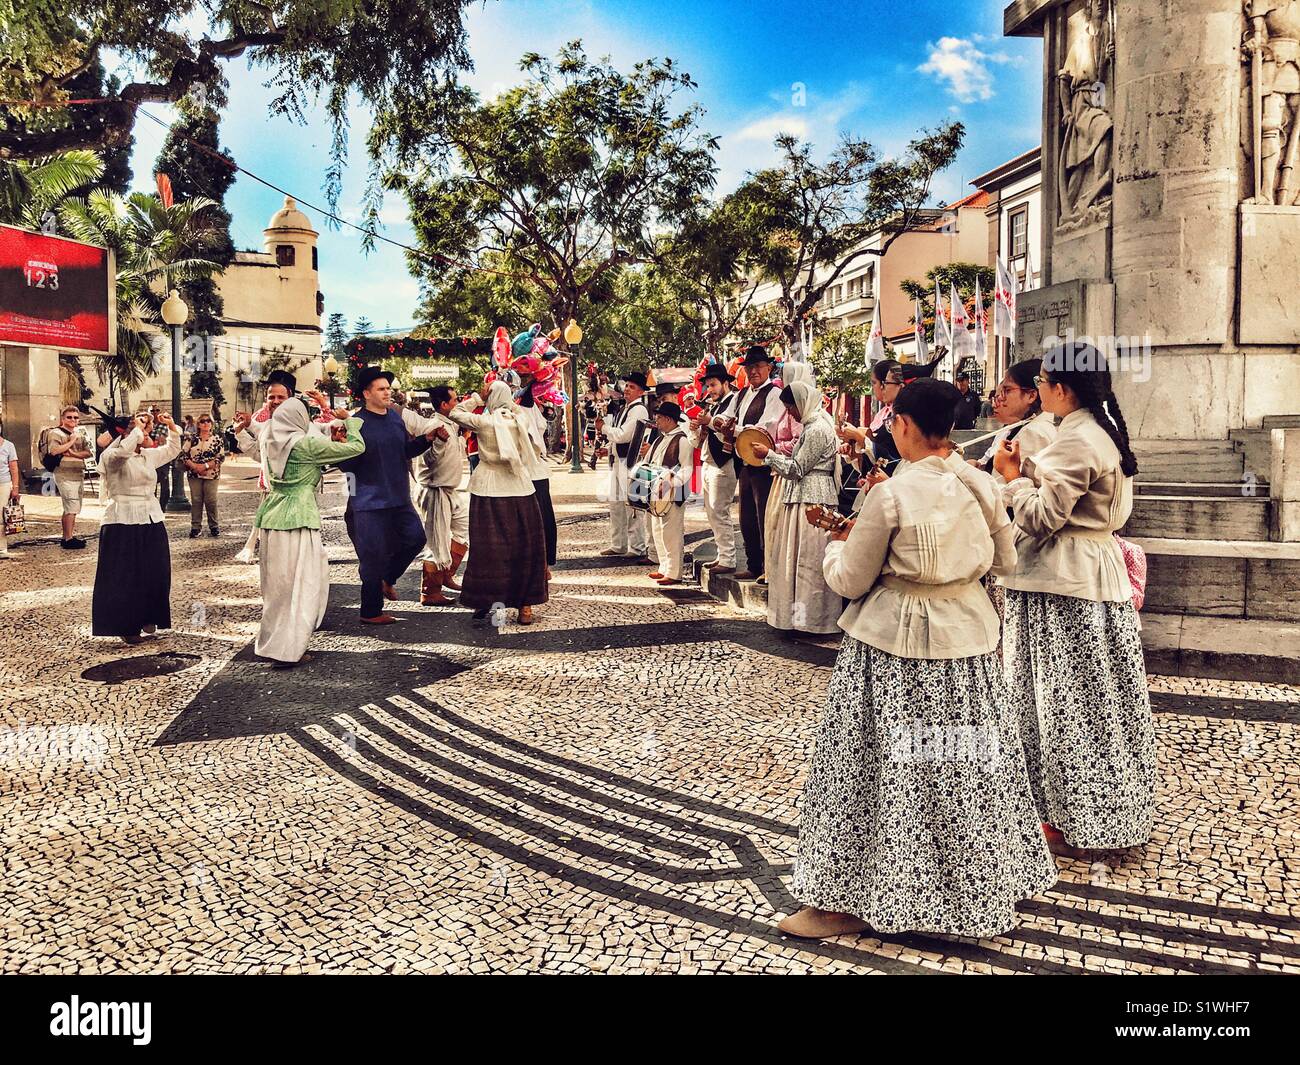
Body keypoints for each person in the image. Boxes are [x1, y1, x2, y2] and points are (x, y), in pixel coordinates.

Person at [780, 377, 1054, 940]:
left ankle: (846, 900)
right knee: (962, 767)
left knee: (872, 771)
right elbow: (1004, 561)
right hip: (966, 647)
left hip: (892, 652)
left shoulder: (890, 494)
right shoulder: (981, 485)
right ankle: (972, 894)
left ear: (902, 424)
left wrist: (837, 548)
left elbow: (852, 579)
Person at [993, 342, 1154, 859]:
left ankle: (1064, 818)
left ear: (1062, 388)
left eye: (1039, 383)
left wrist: (1012, 481)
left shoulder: (1077, 438)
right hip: (1090, 576)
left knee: (1057, 705)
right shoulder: (1097, 429)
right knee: (1095, 702)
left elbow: (1042, 518)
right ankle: (1100, 812)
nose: (1037, 391)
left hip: (1061, 583)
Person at [253, 397, 365, 667]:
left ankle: (273, 645)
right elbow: (356, 448)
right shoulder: (305, 445)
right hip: (299, 520)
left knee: (276, 589)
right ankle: (290, 649)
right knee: (302, 585)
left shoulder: (269, 439)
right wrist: (348, 420)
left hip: (270, 518)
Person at [335, 366, 445, 625]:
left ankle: (387, 578)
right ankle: (370, 611)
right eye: (381, 389)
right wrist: (340, 447)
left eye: (388, 388)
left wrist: (427, 439)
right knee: (371, 556)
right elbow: (347, 464)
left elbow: (404, 451)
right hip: (368, 501)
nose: (387, 393)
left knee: (416, 539)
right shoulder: (356, 422)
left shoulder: (395, 418)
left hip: (399, 497)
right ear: (366, 393)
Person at [445, 380, 548, 625]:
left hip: (487, 489)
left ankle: (484, 601)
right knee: (526, 547)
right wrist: (506, 400)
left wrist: (478, 398)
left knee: (488, 550)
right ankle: (526, 607)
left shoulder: (484, 422)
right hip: (520, 489)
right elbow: (516, 409)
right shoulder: (519, 419)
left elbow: (455, 412)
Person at [750, 380, 842, 635]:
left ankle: (812, 621)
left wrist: (768, 455)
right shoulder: (814, 425)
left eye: (792, 407)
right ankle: (799, 619)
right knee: (798, 563)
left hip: (811, 500)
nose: (790, 413)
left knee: (808, 565)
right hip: (803, 498)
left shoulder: (816, 430)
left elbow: (797, 468)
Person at [91, 410, 182, 645]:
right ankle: (125, 625)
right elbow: (122, 453)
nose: (145, 434)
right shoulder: (111, 455)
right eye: (139, 431)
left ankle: (148, 616)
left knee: (155, 571)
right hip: (122, 521)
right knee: (124, 576)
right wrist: (135, 431)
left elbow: (172, 450)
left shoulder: (148, 456)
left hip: (150, 517)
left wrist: (172, 427)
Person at [231, 370, 300, 563]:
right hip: (271, 490)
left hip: (295, 494)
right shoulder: (262, 418)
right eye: (272, 397)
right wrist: (241, 432)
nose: (276, 401)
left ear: (292, 398)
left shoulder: (302, 424)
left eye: (281, 397)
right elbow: (259, 454)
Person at [414, 385, 470, 606]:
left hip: (450, 490)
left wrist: (462, 438)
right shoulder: (434, 425)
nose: (458, 403)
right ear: (444, 405)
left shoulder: (450, 423)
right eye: (455, 400)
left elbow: (452, 452)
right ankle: (430, 592)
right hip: (435, 491)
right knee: (436, 542)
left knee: (464, 530)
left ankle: (447, 574)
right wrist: (437, 441)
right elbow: (428, 459)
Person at [731, 347, 784, 580]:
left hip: (763, 462)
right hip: (744, 461)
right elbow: (729, 417)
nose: (753, 371)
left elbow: (766, 427)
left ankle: (767, 567)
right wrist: (722, 423)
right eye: (749, 367)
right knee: (747, 517)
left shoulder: (774, 393)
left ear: (768, 368)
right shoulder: (741, 395)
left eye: (758, 367)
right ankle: (753, 562)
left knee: (764, 514)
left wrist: (734, 430)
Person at [690, 364, 740, 574]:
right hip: (709, 461)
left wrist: (708, 422)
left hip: (723, 462)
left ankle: (728, 558)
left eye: (713, 385)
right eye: (708, 386)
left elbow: (726, 426)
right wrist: (700, 427)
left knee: (719, 511)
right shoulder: (715, 404)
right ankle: (722, 555)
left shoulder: (733, 401)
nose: (709, 390)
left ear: (725, 383)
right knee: (711, 511)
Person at [971, 358, 1057, 480]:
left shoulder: (1035, 432)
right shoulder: (1017, 426)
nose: (999, 401)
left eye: (1007, 391)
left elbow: (1010, 485)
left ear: (1031, 395)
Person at [596, 371, 651, 561]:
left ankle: (637, 546)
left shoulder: (638, 410)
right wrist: (608, 449)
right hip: (619, 461)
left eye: (632, 387)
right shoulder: (624, 409)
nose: (627, 389)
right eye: (627, 385)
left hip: (632, 463)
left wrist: (603, 428)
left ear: (641, 392)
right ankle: (618, 544)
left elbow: (623, 435)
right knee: (616, 505)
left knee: (632, 506)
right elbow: (617, 438)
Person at [642, 402, 692, 586]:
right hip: (656, 493)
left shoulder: (682, 440)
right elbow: (648, 462)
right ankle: (664, 567)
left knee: (671, 533)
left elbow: (687, 469)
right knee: (658, 531)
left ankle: (674, 572)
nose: (657, 420)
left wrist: (671, 482)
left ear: (669, 419)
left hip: (673, 494)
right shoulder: (659, 439)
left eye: (660, 417)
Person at [40, 406, 91, 549]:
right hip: (64, 474)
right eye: (69, 417)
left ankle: (68, 536)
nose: (73, 420)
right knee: (71, 505)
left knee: (72, 507)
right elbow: (54, 450)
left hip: (78, 473)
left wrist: (73, 453)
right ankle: (68, 539)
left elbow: (88, 453)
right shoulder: (56, 433)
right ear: (63, 418)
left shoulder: (79, 434)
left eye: (75, 417)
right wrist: (70, 442)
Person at [180, 414, 226, 538]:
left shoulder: (217, 439)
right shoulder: (191, 439)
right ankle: (195, 527)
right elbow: (183, 455)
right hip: (194, 474)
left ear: (211, 424)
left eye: (208, 421)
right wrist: (195, 467)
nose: (206, 423)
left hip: (211, 474)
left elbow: (220, 457)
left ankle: (214, 526)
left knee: (211, 500)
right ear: (198, 424)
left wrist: (204, 466)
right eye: (203, 421)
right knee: (196, 500)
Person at [0, 418, 19, 559]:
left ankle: (1, 548)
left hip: (3, 484)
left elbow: (14, 468)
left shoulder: (8, 445)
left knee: (1, 516)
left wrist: (15, 487)